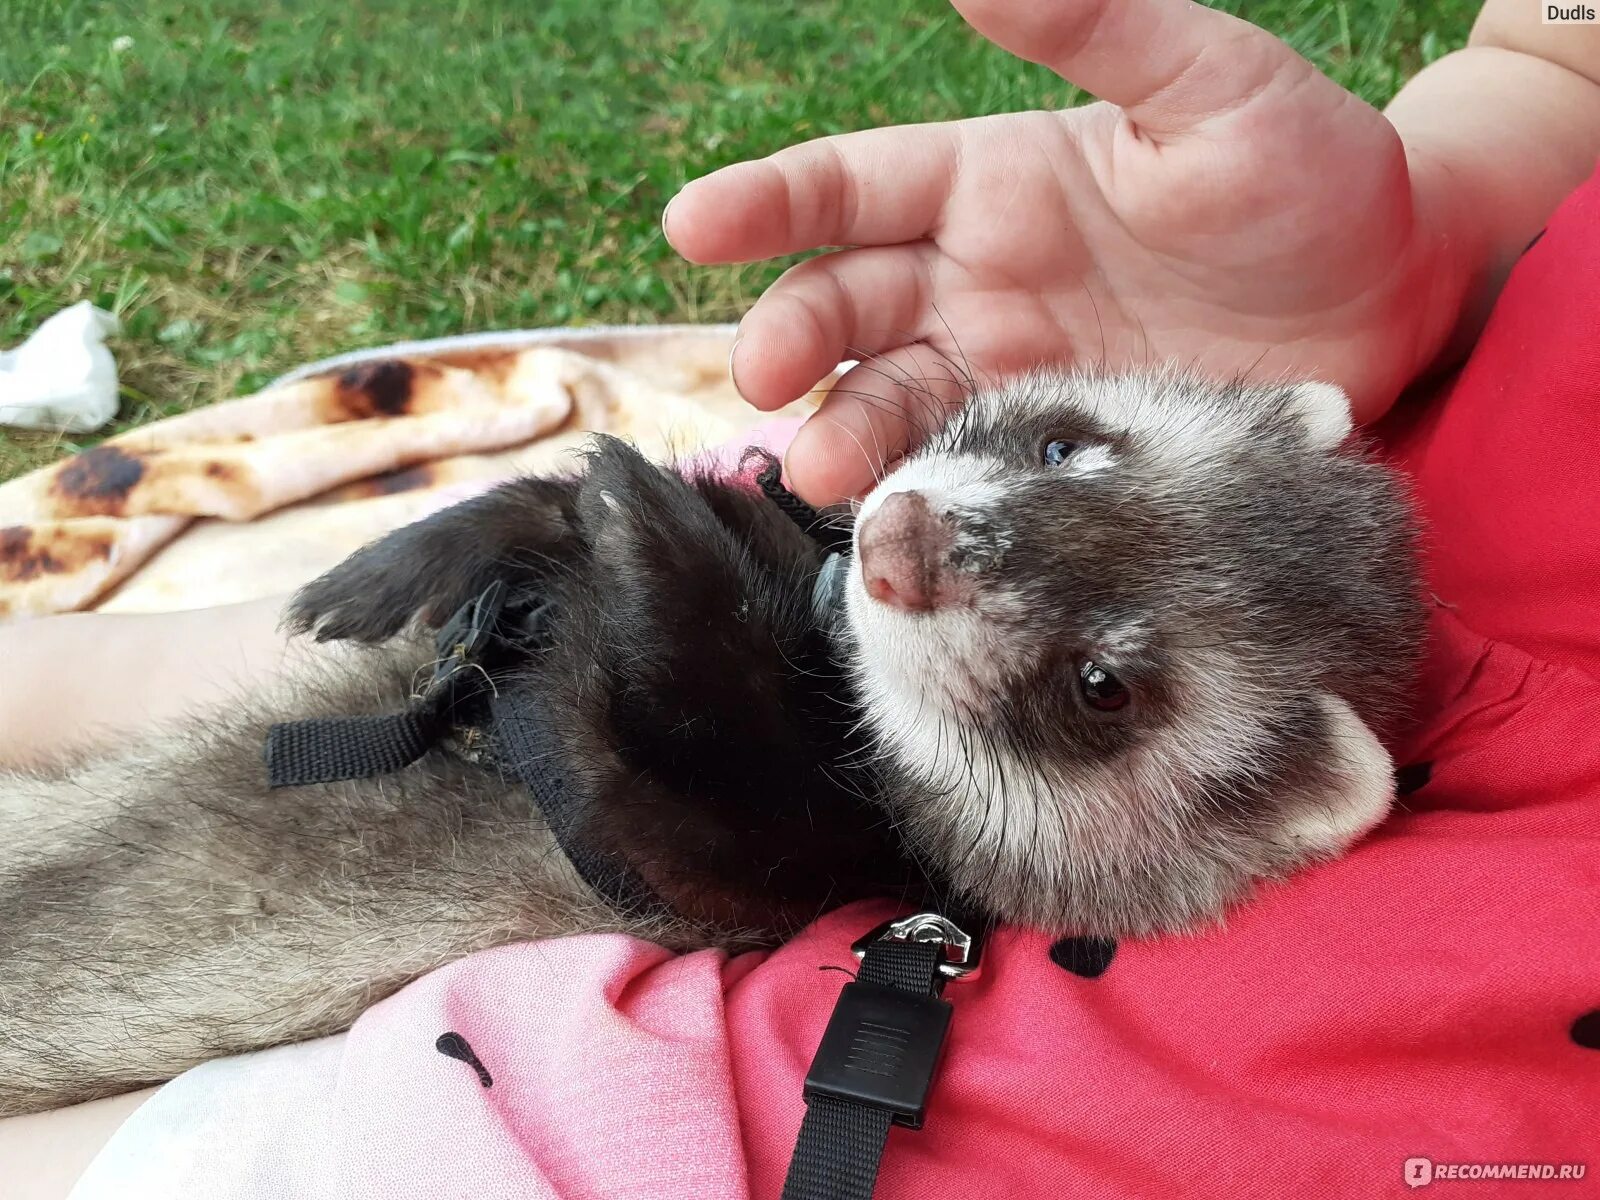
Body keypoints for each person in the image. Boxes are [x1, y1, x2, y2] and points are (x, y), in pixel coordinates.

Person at [4, 0, 1599, 1195]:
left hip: (1327, 1025)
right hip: (1416, 395)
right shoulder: (952, 525)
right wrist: (1475, 164)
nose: (941, 536)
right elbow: (1566, 37)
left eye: (1100, 689)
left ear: (1280, 799)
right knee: (451, 631)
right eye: (1058, 447)